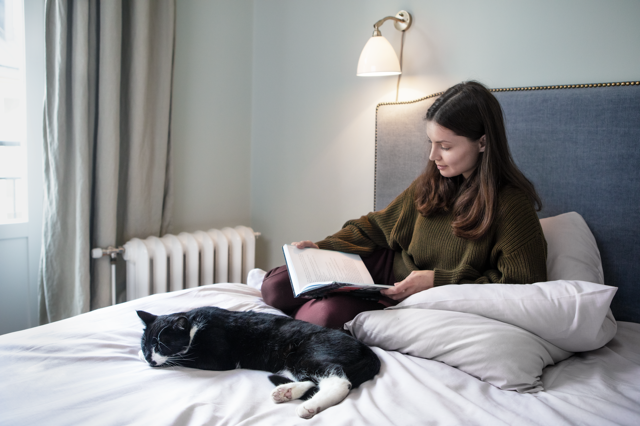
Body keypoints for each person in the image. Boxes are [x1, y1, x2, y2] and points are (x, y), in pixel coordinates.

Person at [261, 81, 547, 329]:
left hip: (403, 293)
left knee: (323, 316)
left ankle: (315, 315)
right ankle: (317, 306)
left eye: (445, 146)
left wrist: (438, 281)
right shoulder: (434, 181)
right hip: (381, 267)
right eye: (431, 142)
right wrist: (322, 248)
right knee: (274, 286)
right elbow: (375, 227)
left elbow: (522, 286)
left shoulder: (511, 205)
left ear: (482, 143)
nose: (433, 155)